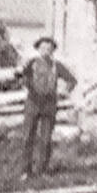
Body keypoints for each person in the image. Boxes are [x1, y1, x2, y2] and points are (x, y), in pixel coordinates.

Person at [16, 36, 76, 180]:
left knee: (46, 138)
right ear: (38, 49)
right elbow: (19, 75)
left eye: (49, 49)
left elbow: (72, 80)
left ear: (52, 51)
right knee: (27, 137)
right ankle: (26, 171)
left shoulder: (57, 66)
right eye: (43, 48)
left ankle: (42, 170)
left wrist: (64, 92)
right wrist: (25, 83)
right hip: (33, 103)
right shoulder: (32, 63)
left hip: (49, 105)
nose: (46, 51)